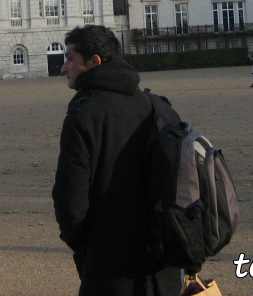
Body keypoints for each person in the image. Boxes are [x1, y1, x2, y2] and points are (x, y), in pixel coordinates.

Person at [53, 25, 182, 296]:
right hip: (164, 263)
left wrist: (85, 247)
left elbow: (70, 201)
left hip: (110, 266)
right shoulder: (160, 107)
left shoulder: (83, 114)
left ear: (94, 62)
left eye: (69, 59)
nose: (63, 68)